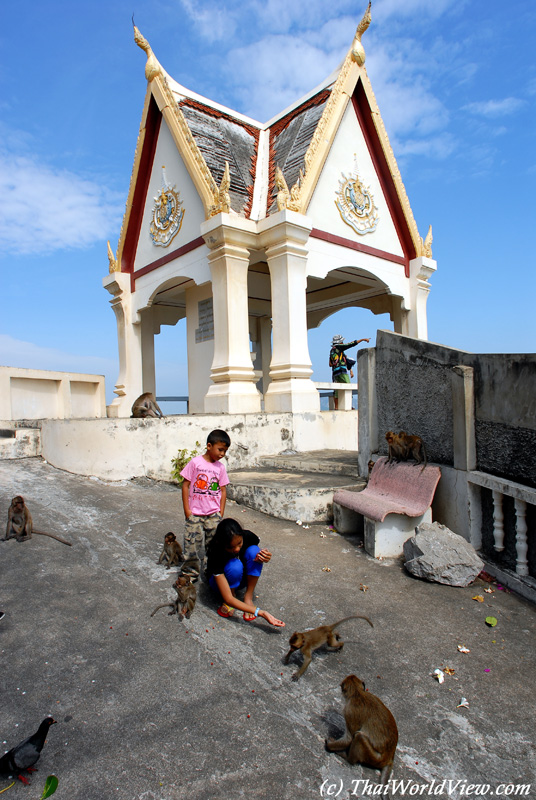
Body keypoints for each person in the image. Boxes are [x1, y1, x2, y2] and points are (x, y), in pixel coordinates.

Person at [206, 518, 285, 628]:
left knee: (254, 551)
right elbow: (228, 597)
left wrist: (265, 557)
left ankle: (248, 596)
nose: (237, 549)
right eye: (231, 547)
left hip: (240, 578)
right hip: (220, 584)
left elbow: (258, 554)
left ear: (242, 535)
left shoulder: (248, 537)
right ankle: (233, 594)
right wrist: (260, 612)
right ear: (222, 544)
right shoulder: (216, 551)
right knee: (235, 566)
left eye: (239, 543)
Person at [180, 429, 231, 580]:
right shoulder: (195, 463)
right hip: (195, 513)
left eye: (225, 451)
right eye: (220, 449)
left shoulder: (220, 468)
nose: (222, 454)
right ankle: (190, 572)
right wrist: (187, 510)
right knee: (192, 545)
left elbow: (223, 490)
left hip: (213, 514)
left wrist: (220, 512)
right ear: (209, 446)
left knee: (214, 545)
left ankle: (212, 572)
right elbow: (185, 485)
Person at [329, 334, 370, 409]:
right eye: (342, 342)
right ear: (339, 342)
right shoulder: (339, 347)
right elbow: (350, 344)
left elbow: (330, 364)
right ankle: (349, 406)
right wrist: (362, 339)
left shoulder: (332, 350)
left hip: (335, 373)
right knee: (348, 386)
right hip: (341, 371)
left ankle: (337, 407)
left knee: (337, 389)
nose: (343, 343)